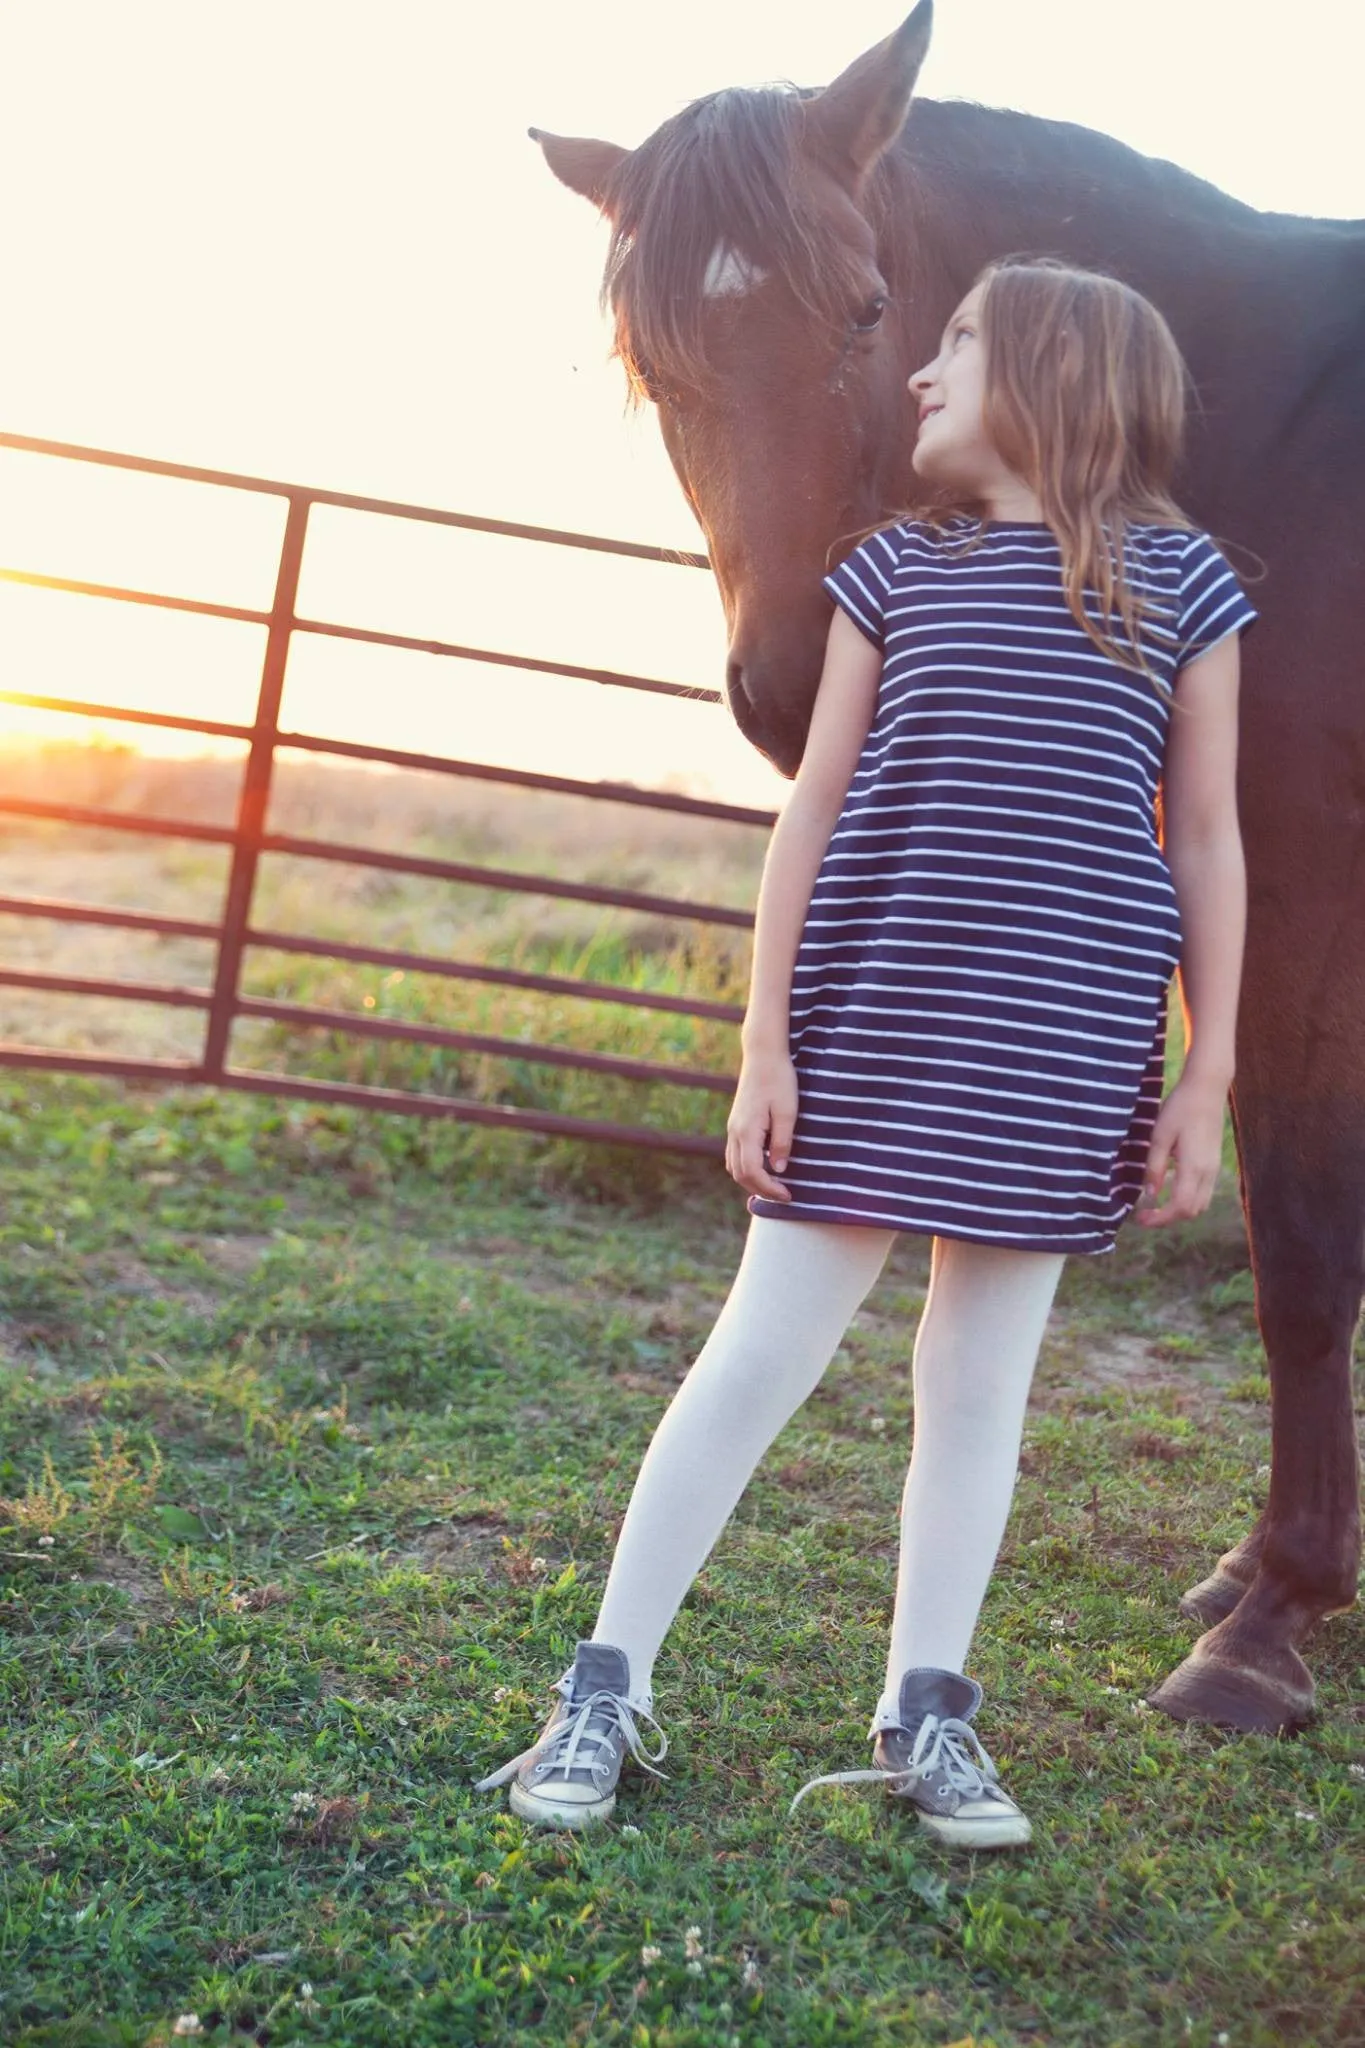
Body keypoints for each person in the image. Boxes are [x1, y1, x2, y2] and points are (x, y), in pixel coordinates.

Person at [473, 257, 1256, 1850]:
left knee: (979, 1391)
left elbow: (1211, 843)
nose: (919, 374)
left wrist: (1208, 1070)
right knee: (757, 1358)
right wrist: (765, 1041)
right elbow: (813, 809)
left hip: (1061, 1051)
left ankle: (928, 1714)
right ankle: (603, 1687)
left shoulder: (1187, 591)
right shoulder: (891, 573)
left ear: (1052, 375)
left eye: (957, 346)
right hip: (871, 1024)